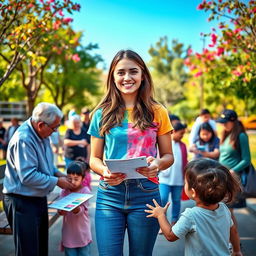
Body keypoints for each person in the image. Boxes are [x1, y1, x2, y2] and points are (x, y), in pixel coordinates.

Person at [88, 49, 174, 256]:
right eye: (121, 72)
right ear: (113, 77)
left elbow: (168, 156)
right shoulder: (101, 113)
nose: (127, 77)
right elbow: (94, 159)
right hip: (110, 195)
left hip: (146, 194)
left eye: (133, 71)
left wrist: (157, 165)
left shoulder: (158, 111)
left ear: (143, 74)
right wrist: (104, 172)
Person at [2, 102, 75, 256]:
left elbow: (47, 166)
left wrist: (60, 175)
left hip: (36, 197)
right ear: (41, 124)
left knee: (40, 248)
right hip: (21, 200)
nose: (55, 131)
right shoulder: (24, 139)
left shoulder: (41, 133)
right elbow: (28, 176)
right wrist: (57, 182)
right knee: (28, 251)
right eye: (54, 128)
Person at [146, 158, 243, 256]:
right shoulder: (224, 208)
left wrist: (161, 215)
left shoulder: (191, 215)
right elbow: (233, 231)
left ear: (193, 192)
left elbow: (171, 236)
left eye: (186, 182)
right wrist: (237, 251)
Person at [216, 109, 251, 229]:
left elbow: (246, 159)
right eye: (222, 122)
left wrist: (232, 171)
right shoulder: (226, 135)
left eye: (226, 122)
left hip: (233, 177)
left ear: (233, 121)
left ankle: (235, 244)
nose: (224, 124)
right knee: (223, 211)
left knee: (229, 213)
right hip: (222, 177)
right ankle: (228, 241)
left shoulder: (241, 136)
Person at [58, 161, 92, 256]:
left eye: (76, 179)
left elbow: (82, 210)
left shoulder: (85, 191)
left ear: (83, 179)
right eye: (69, 179)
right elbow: (61, 211)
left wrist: (76, 209)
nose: (72, 182)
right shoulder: (64, 191)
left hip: (82, 233)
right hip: (68, 233)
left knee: (84, 253)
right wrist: (61, 210)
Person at [158, 122, 188, 226]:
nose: (182, 136)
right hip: (164, 178)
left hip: (178, 179)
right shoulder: (165, 143)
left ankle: (174, 222)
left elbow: (185, 161)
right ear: (174, 132)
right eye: (181, 133)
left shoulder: (183, 146)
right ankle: (163, 223)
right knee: (163, 199)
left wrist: (185, 177)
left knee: (176, 201)